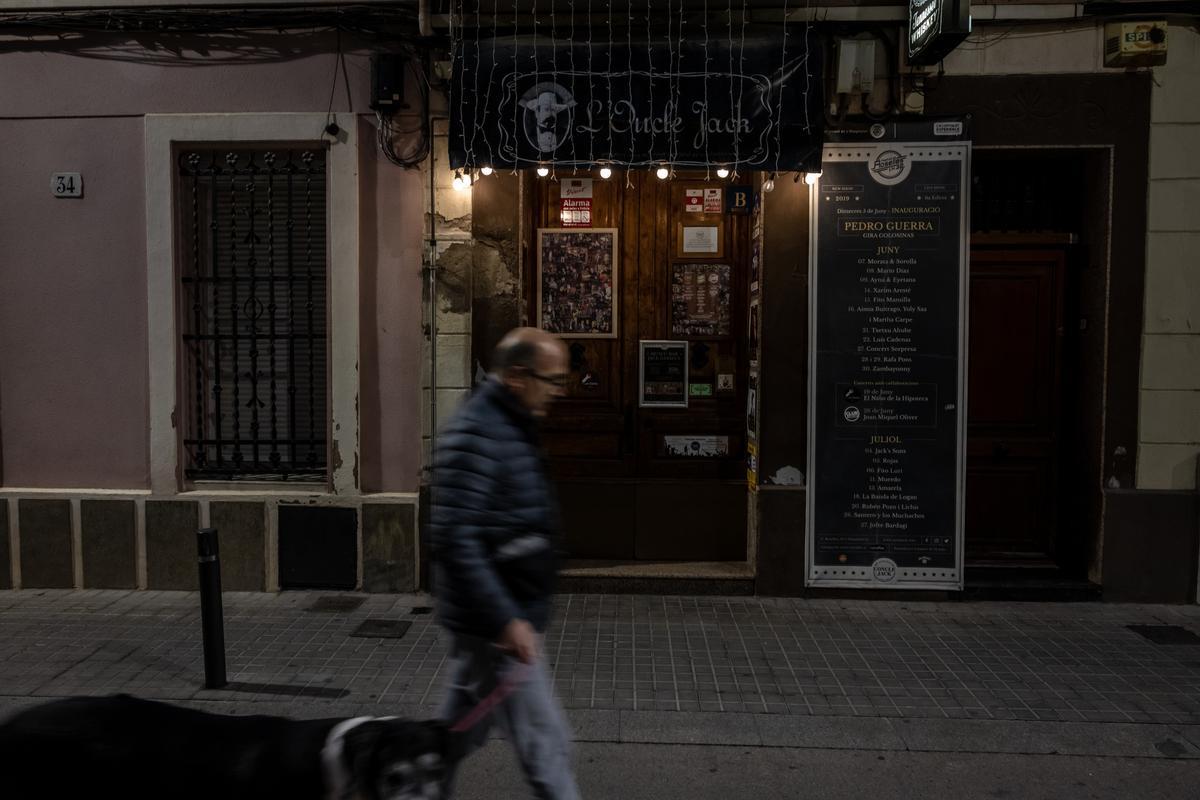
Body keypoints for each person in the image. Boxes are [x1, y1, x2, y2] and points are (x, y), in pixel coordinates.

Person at [429, 327, 580, 800]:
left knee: (454, 737)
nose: (558, 392)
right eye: (552, 380)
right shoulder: (477, 433)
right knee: (547, 747)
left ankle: (410, 785)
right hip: (497, 626)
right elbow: (456, 538)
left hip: (504, 618)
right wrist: (505, 621)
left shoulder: (510, 424)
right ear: (518, 376)